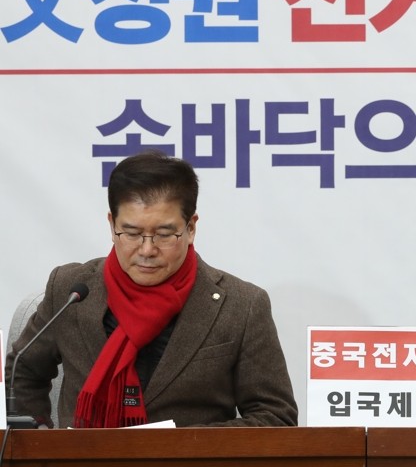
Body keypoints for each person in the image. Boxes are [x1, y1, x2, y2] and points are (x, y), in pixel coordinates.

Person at [5, 151, 298, 428]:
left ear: (191, 228)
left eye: (164, 234)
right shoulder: (71, 290)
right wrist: (39, 440)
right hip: (83, 456)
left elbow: (275, 416)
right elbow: (22, 371)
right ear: (112, 224)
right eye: (132, 233)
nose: (147, 250)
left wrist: (182, 447)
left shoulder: (241, 305)